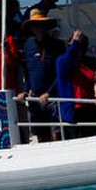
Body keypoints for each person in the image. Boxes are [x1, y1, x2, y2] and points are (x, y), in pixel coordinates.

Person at [16, 9, 65, 142]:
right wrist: (25, 91)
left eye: (41, 25)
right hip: (35, 98)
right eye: (36, 25)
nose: (39, 29)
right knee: (40, 134)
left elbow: (61, 73)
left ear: (46, 26)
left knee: (57, 133)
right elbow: (28, 71)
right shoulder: (28, 45)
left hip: (53, 98)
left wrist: (49, 93)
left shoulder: (58, 45)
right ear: (31, 28)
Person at [55, 30, 96, 138]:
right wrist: (75, 42)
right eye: (72, 45)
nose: (76, 49)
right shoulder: (62, 61)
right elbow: (67, 59)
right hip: (73, 110)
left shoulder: (90, 62)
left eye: (81, 46)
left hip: (88, 108)